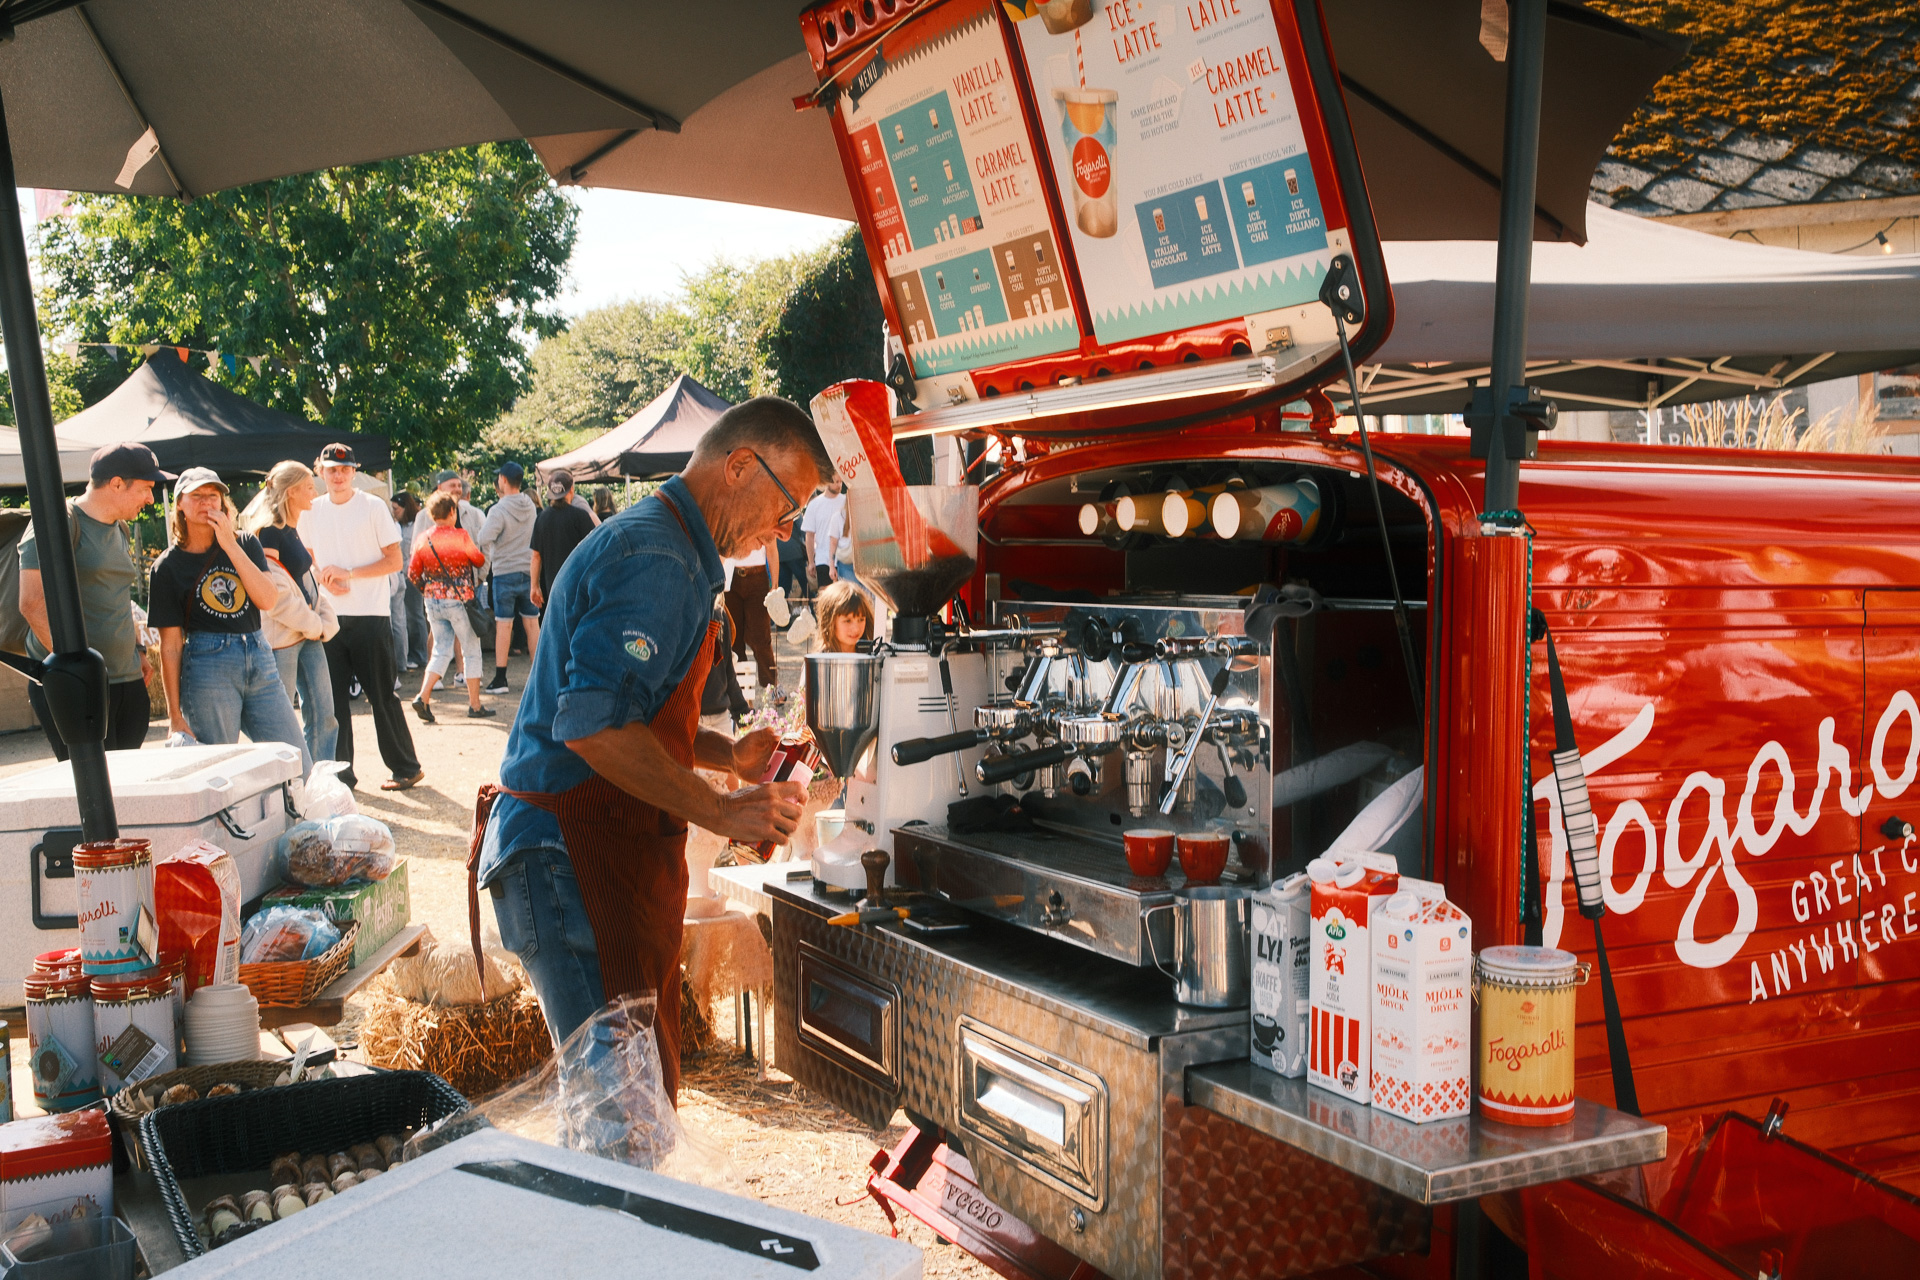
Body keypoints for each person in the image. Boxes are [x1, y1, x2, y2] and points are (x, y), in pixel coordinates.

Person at [473, 395, 830, 1092]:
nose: (783, 531)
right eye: (789, 506)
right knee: (619, 1117)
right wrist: (723, 812)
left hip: (588, 849)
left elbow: (630, 714)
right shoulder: (657, 558)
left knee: (631, 1107)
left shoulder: (673, 549)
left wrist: (728, 756)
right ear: (740, 467)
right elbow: (594, 728)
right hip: (570, 852)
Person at [17, 443, 169, 758]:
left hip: (127, 680)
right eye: (145, 489)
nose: (151, 499)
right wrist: (79, 671)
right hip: (80, 687)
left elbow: (117, 594)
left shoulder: (122, 528)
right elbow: (31, 603)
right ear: (116, 483)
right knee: (94, 791)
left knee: (128, 789)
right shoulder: (57, 520)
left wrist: (137, 652)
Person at [150, 468, 309, 769]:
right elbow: (170, 646)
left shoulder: (246, 543)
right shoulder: (167, 567)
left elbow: (267, 599)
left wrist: (230, 544)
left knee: (296, 760)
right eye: (196, 496)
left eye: (213, 495)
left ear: (224, 503)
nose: (206, 503)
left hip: (258, 654)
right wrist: (174, 716)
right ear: (179, 505)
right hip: (208, 665)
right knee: (219, 770)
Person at [299, 443, 422, 790]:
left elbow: (394, 561)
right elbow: (306, 556)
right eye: (331, 469)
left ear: (355, 471)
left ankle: (406, 767)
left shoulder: (373, 506)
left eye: (344, 469)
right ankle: (341, 776)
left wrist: (348, 573)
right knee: (333, 701)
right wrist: (324, 576)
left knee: (382, 695)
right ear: (320, 471)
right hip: (328, 616)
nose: (337, 476)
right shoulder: (310, 510)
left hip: (370, 614)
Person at [241, 460, 338, 764]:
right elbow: (277, 595)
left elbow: (304, 581)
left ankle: (319, 781)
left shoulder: (290, 528)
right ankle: (290, 783)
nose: (314, 492)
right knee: (280, 720)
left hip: (307, 634)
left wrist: (321, 618)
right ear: (293, 491)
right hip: (284, 639)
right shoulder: (268, 533)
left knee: (324, 715)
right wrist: (315, 623)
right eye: (309, 486)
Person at [408, 492, 495, 721]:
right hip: (460, 600)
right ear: (453, 512)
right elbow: (479, 560)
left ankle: (423, 696)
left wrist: (429, 590)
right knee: (471, 650)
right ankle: (475, 705)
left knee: (440, 649)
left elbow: (413, 573)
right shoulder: (461, 536)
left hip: (432, 601)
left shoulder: (423, 539)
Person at [477, 460, 539, 693]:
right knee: (532, 624)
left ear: (503, 480)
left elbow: (484, 538)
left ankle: (501, 678)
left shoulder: (499, 509)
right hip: (528, 570)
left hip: (504, 572)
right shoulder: (530, 505)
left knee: (504, 625)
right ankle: (537, 675)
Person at [528, 470, 596, 610]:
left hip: (552, 588)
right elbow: (593, 551)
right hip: (578, 586)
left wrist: (534, 587)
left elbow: (536, 557)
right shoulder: (581, 516)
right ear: (571, 489)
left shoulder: (542, 518)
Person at [721, 533, 779, 689]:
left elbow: (772, 550)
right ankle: (742, 693)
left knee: (761, 637)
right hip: (730, 580)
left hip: (757, 577)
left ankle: (772, 687)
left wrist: (774, 585)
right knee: (735, 640)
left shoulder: (763, 513)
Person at [391, 491, 428, 671]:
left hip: (413, 576)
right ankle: (412, 654)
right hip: (401, 575)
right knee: (405, 617)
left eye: (396, 509)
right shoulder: (398, 526)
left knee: (415, 616)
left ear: (406, 508)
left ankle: (420, 654)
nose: (393, 512)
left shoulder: (415, 526)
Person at [800, 472, 845, 589]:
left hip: (844, 557)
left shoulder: (846, 502)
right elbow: (809, 535)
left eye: (840, 482)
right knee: (825, 595)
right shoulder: (815, 505)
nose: (839, 485)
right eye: (836, 482)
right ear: (827, 482)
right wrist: (811, 562)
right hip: (822, 558)